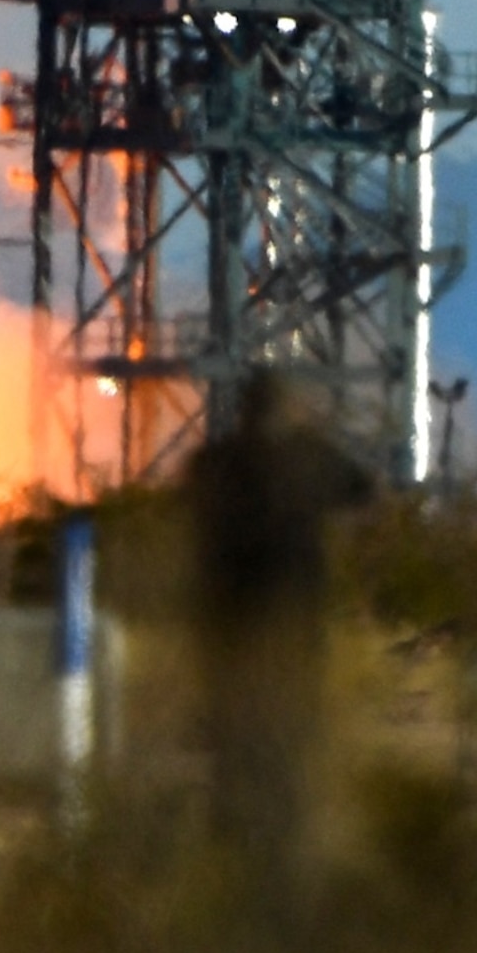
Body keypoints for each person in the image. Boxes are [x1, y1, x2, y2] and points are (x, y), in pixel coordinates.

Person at [184, 367, 373, 888]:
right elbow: (362, 489)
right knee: (289, 739)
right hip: (292, 626)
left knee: (231, 739)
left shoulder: (212, 462)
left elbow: (189, 502)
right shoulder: (307, 459)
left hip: (227, 628)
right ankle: (284, 845)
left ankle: (230, 845)